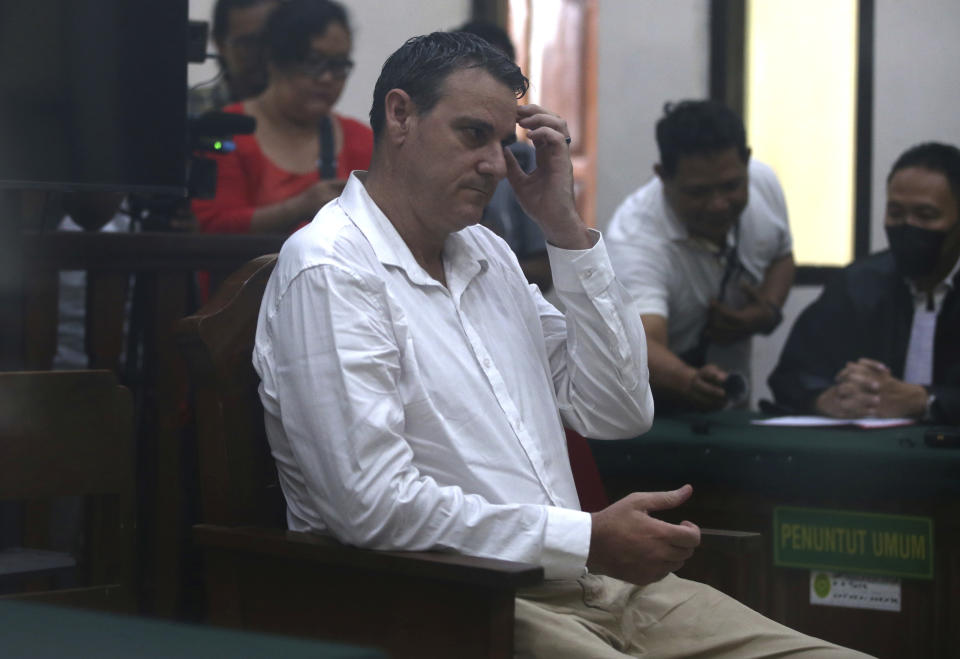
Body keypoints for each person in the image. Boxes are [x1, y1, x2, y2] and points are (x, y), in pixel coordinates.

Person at [252, 32, 864, 657]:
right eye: (472, 135)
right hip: (453, 600)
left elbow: (619, 412)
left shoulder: (485, 253)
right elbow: (371, 507)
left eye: (503, 141)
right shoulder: (331, 269)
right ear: (401, 114)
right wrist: (585, 538)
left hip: (598, 585)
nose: (496, 164)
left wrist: (565, 230)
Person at [606, 100, 795, 412]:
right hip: (654, 413)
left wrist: (765, 313)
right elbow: (642, 343)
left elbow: (782, 256)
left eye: (731, 186)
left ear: (747, 162)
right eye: (699, 192)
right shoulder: (636, 237)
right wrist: (689, 381)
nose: (719, 204)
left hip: (731, 406)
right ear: (663, 176)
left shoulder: (764, 182)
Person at [770, 142, 960, 424]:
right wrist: (825, 398)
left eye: (926, 216)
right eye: (895, 213)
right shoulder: (857, 284)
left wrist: (926, 400)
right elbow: (792, 376)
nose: (908, 226)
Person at [192, 0, 373, 234]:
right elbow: (209, 226)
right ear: (274, 60)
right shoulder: (228, 129)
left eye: (338, 65)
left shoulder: (362, 140)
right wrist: (299, 207)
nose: (327, 78)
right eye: (313, 62)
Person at [455, 21, 552, 291]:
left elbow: (545, 272)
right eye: (473, 133)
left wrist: (564, 224)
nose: (497, 167)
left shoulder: (521, 161)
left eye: (503, 74)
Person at [188, 0, 281, 116]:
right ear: (220, 44)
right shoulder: (191, 108)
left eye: (272, 39)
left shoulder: (305, 108)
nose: (263, 52)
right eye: (248, 43)